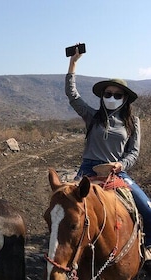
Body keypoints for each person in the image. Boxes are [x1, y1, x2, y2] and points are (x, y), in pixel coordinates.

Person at [66, 46, 151, 255]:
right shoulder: (92, 116)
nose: (111, 97)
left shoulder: (133, 122)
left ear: (125, 98)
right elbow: (72, 95)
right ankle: (61, 253)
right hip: (88, 169)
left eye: (117, 95)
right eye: (108, 94)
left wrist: (120, 164)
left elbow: (133, 152)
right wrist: (73, 63)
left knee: (148, 209)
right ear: (102, 96)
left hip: (116, 172)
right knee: (64, 208)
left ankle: (146, 248)